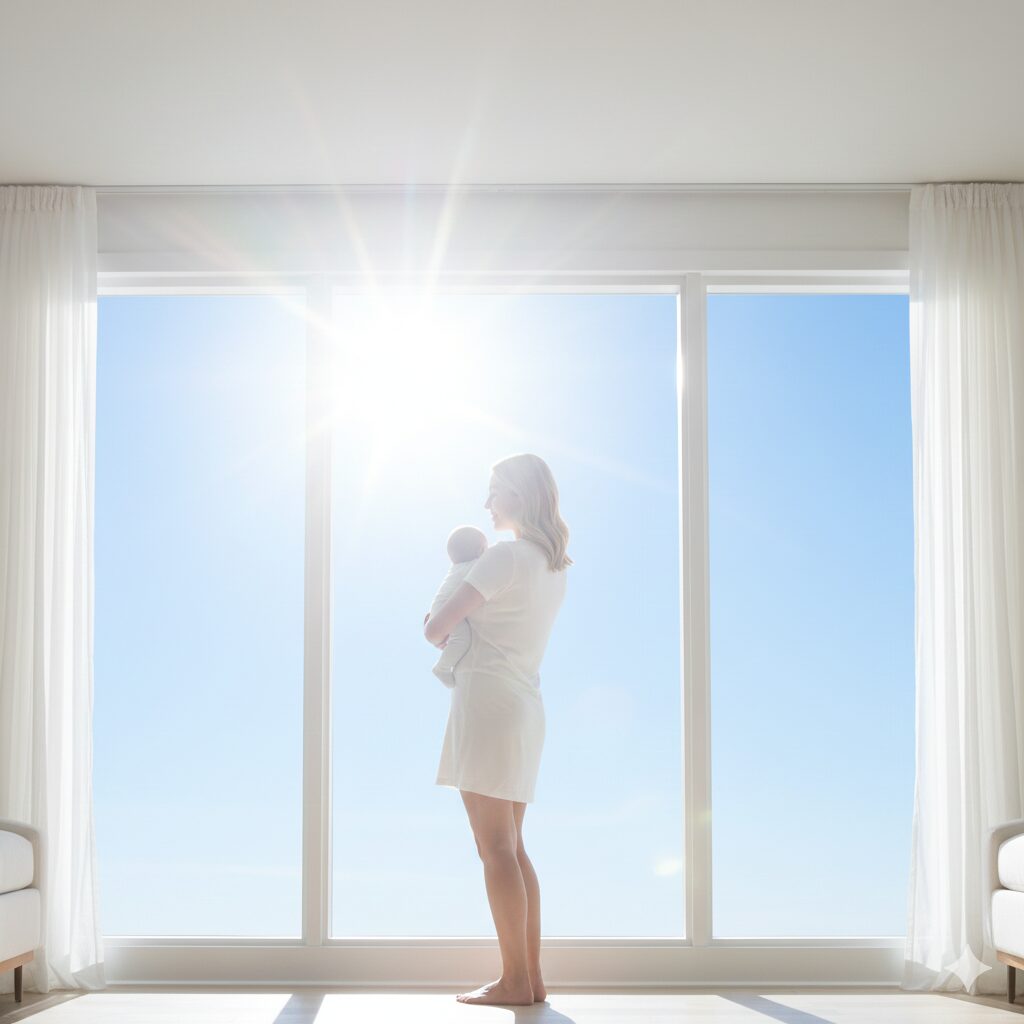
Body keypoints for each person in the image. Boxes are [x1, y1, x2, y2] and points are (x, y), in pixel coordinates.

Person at [423, 453, 572, 1006]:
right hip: (524, 709)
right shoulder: (550, 566)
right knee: (513, 847)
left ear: (517, 495)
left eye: (493, 492)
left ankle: (514, 981)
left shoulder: (504, 558)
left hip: (487, 705)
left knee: (494, 849)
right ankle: (529, 978)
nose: (486, 504)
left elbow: (436, 629)